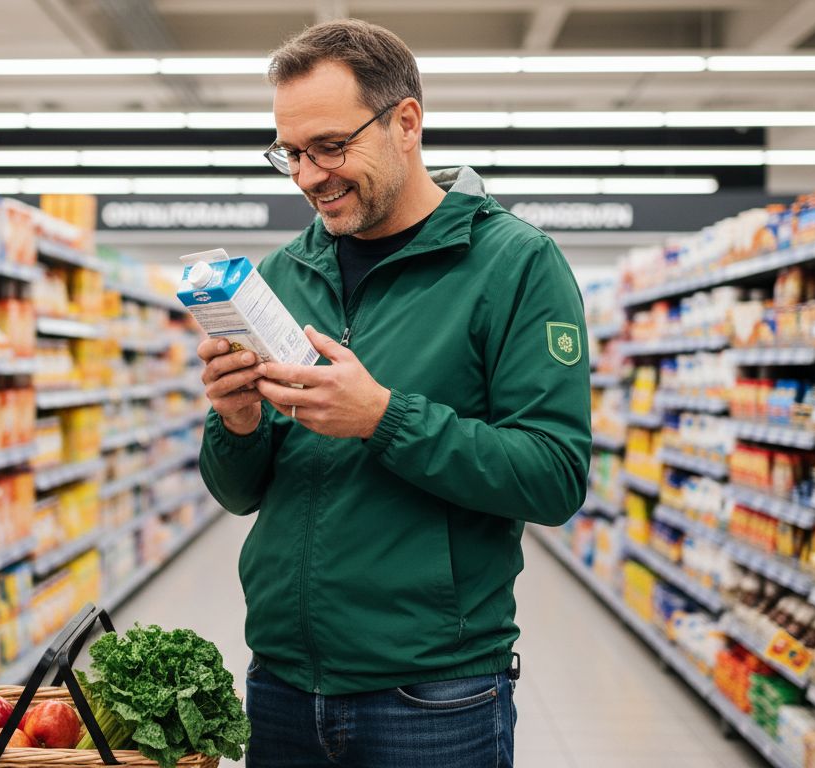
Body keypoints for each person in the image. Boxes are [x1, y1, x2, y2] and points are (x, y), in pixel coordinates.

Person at [196, 19, 591, 768]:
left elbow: (554, 476)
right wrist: (236, 420)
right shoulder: (282, 275)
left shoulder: (514, 265)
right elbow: (239, 495)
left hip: (431, 696)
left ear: (406, 122)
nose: (310, 175)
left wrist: (383, 417)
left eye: (332, 146)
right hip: (281, 681)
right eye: (292, 153)